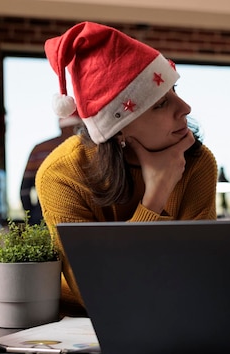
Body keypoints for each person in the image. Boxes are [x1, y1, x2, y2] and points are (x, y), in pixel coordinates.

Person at [37, 22, 218, 315]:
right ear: (118, 130)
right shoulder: (62, 175)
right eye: (160, 104)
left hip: (173, 315)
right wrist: (156, 195)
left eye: (175, 89)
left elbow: (196, 277)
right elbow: (103, 290)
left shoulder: (197, 162)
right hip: (84, 322)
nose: (185, 107)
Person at [20, 115, 82, 225]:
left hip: (42, 214)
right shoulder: (85, 149)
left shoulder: (39, 149)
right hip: (79, 214)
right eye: (80, 127)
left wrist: (31, 218)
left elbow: (24, 190)